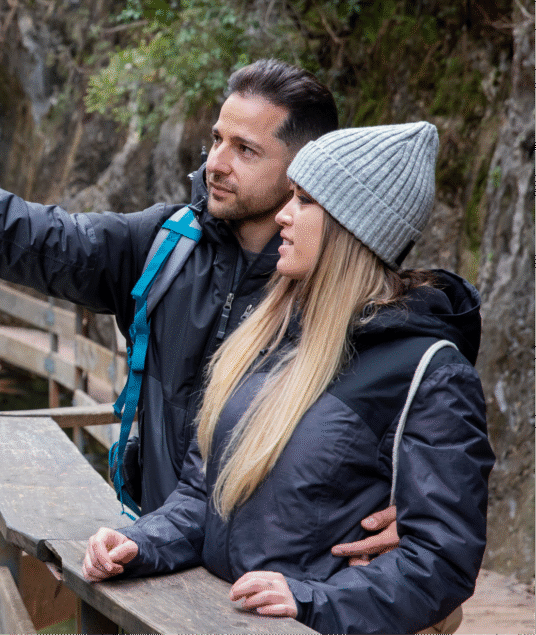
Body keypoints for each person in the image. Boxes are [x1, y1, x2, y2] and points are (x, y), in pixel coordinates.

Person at [0, 59, 398, 560]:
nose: (215, 163)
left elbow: (419, 390)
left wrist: (410, 502)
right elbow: (15, 230)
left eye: (245, 150)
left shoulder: (338, 285)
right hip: (160, 557)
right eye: (216, 138)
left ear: (303, 171)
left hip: (282, 586)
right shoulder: (164, 247)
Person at [81, 122, 494, 634]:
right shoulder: (266, 337)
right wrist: (141, 543)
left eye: (303, 201)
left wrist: (313, 599)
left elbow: (442, 561)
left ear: (351, 227)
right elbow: (200, 496)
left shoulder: (430, 374)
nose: (283, 215)